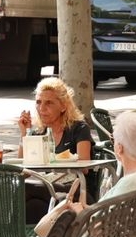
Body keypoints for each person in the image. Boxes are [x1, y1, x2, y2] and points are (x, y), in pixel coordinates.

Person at [17, 77, 93, 224]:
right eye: (38, 102)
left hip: (76, 192)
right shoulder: (38, 132)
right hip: (51, 195)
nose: (41, 108)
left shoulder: (78, 128)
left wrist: (58, 160)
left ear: (63, 106)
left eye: (49, 103)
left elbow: (84, 167)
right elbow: (23, 170)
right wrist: (24, 134)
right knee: (30, 207)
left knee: (24, 189)